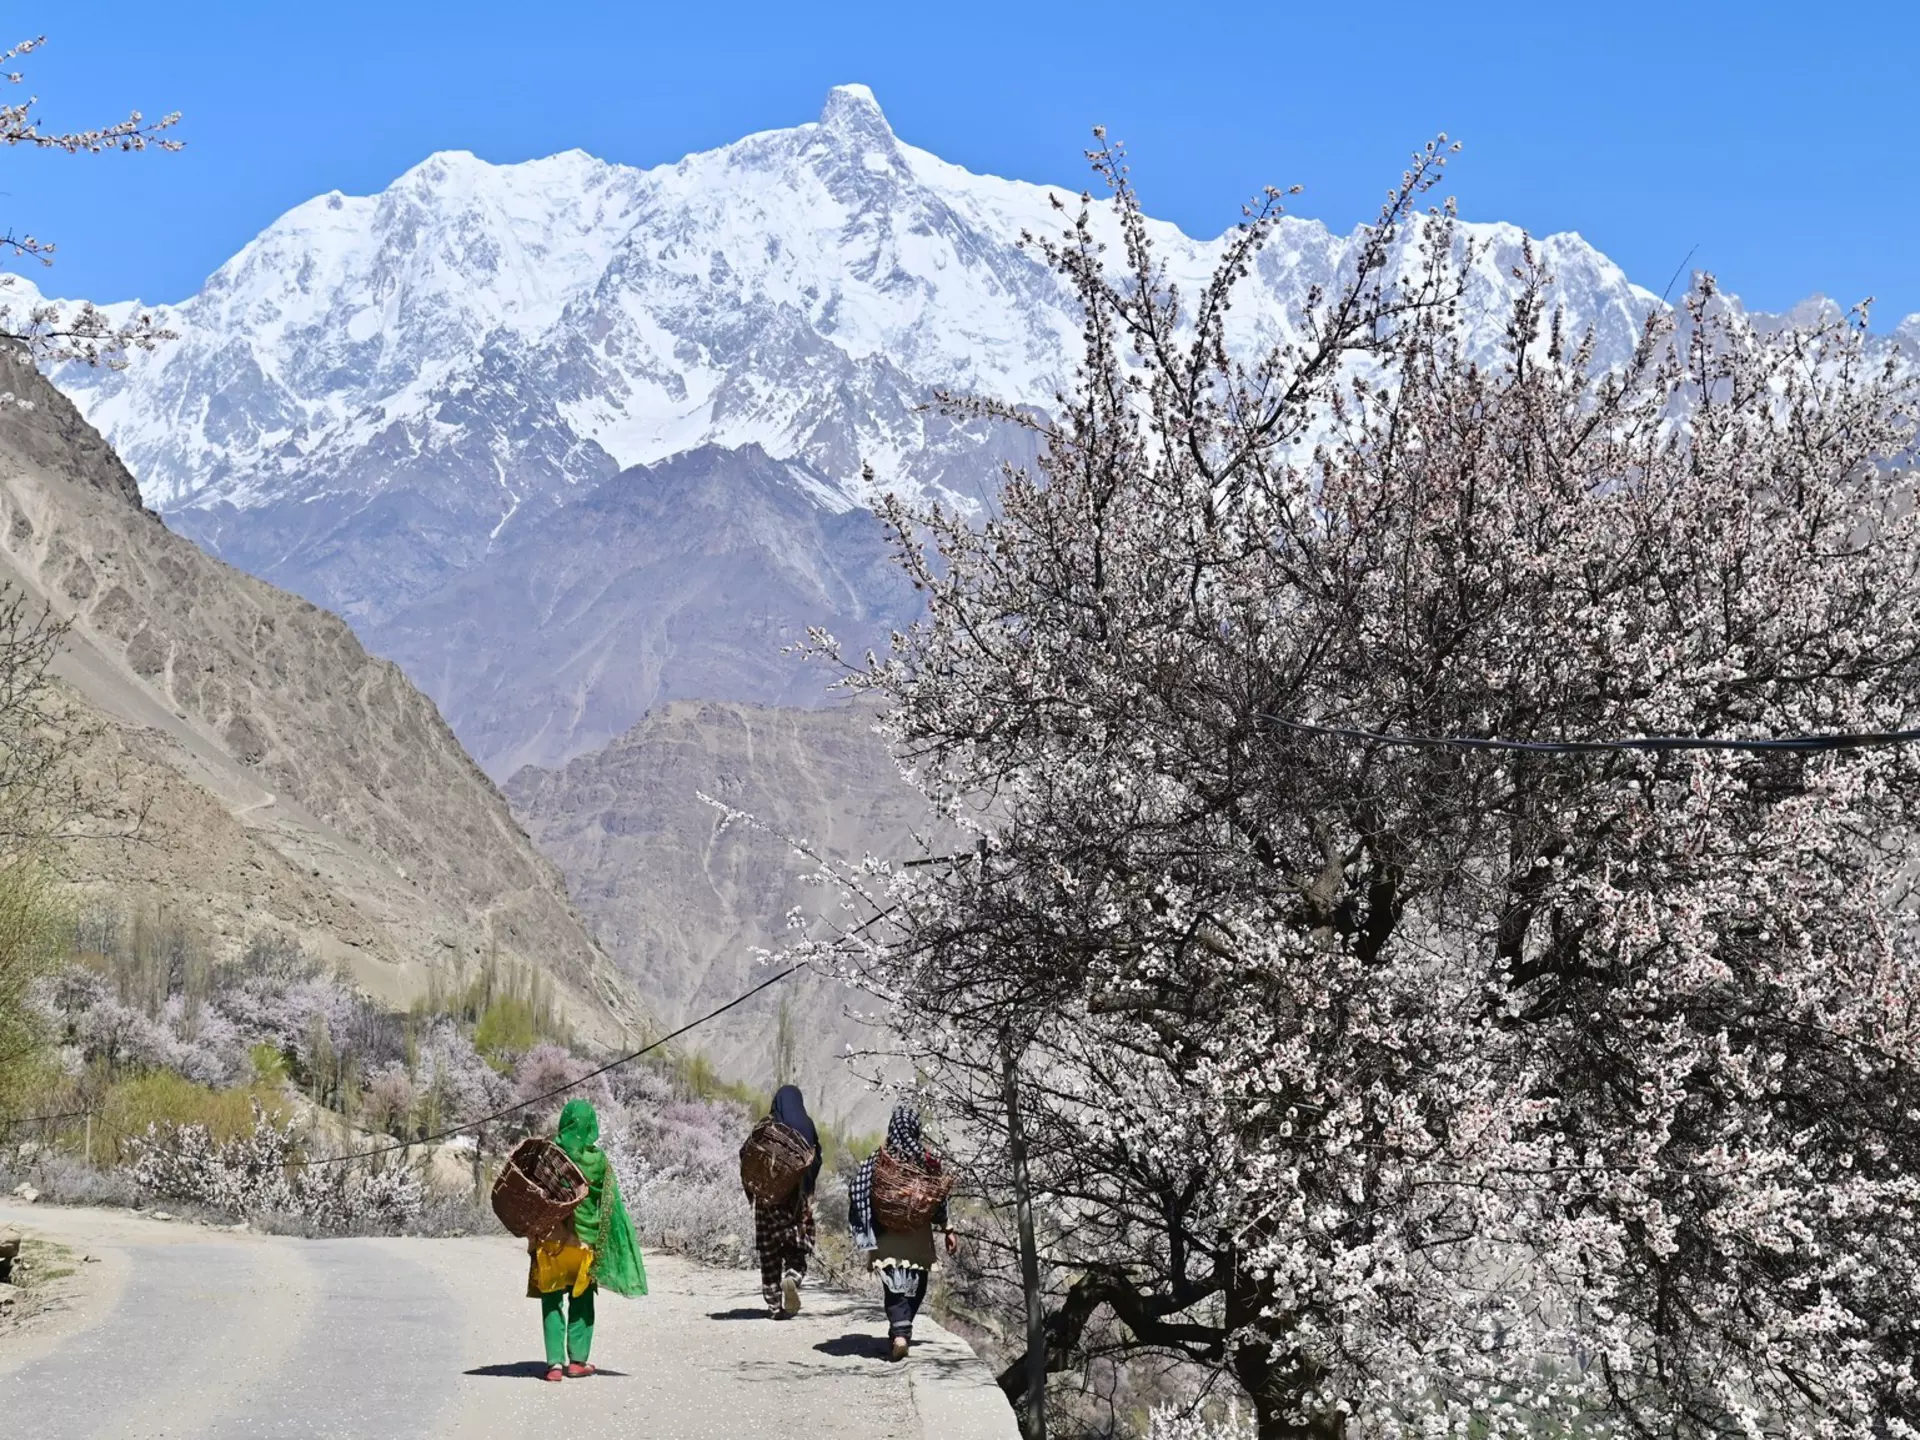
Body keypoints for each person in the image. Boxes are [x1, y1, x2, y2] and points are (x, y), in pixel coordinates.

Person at [527, 1098, 647, 1382]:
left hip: (552, 1244)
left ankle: (554, 1365)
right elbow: (609, 1206)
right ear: (592, 1126)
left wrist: (533, 1240)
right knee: (581, 1301)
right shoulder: (600, 1162)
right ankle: (578, 1361)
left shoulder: (549, 1157)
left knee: (552, 1301)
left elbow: (534, 1200)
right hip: (584, 1246)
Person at [849, 1102, 957, 1360]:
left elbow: (856, 1188)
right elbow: (939, 1198)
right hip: (917, 1235)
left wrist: (864, 1222)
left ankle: (899, 1332)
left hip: (886, 1233)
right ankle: (901, 1332)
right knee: (917, 1284)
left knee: (893, 1285)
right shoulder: (926, 1160)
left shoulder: (880, 1159)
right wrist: (947, 1228)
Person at [750, 1084, 823, 1318]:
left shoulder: (766, 1126)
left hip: (765, 1201)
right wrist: (805, 1185)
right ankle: (792, 1277)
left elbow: (747, 1155)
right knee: (797, 1247)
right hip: (795, 1200)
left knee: (769, 1252)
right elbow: (816, 1159)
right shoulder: (806, 1125)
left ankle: (773, 1306)